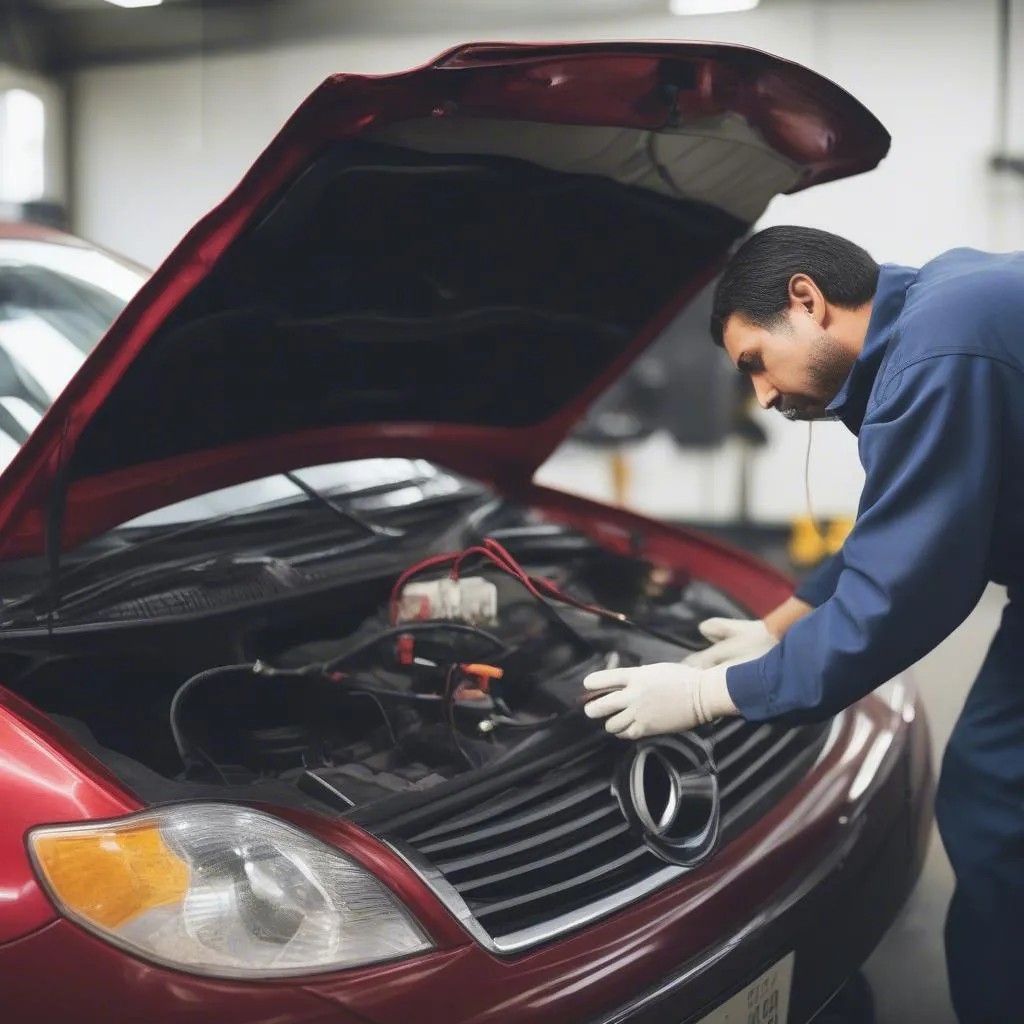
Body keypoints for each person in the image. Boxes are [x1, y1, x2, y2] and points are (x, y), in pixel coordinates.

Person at [581, 226, 1024, 1024]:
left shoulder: (939, 355)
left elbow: (904, 596)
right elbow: (907, 519)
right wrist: (781, 624)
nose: (762, 397)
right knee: (993, 790)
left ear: (807, 301)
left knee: (999, 807)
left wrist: (713, 694)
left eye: (754, 362)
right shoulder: (931, 315)